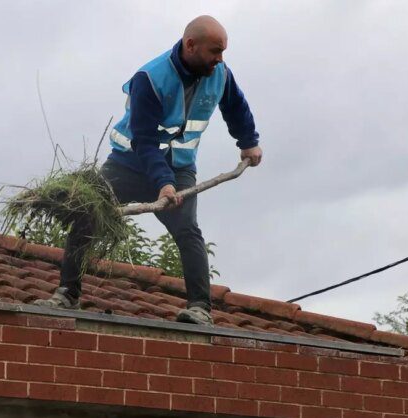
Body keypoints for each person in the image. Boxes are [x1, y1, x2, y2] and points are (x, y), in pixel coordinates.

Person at [34, 15, 262, 326]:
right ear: (190, 45)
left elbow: (236, 106)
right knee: (88, 213)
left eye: (223, 52)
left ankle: (199, 308)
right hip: (129, 163)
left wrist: (248, 141)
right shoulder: (150, 78)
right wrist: (163, 183)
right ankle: (67, 293)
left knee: (187, 230)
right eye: (215, 51)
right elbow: (144, 140)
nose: (220, 59)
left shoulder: (220, 73)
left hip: (179, 167)